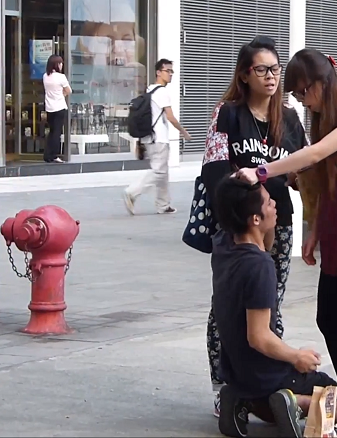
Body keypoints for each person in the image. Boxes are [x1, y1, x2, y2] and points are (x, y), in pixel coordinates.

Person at [234, 48, 337, 436]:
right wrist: (315, 231)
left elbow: (316, 153)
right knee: (328, 318)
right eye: (300, 96)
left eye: (304, 92)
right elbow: (322, 182)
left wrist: (261, 171)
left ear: (322, 82)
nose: (304, 102)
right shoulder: (325, 120)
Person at [200, 36, 307, 418]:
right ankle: (225, 386)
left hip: (277, 226)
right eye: (262, 69)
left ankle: (265, 386)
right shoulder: (228, 113)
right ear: (245, 75)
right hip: (238, 229)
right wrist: (238, 220)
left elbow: (301, 171)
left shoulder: (290, 118)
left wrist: (296, 180)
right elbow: (214, 172)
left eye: (276, 69)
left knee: (268, 307)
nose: (271, 76)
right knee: (226, 309)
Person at [211, 177, 337, 438]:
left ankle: (242, 400)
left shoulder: (223, 248)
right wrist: (296, 356)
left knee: (268, 397)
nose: (275, 205)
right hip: (266, 371)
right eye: (268, 202)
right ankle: (293, 404)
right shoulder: (259, 267)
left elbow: (263, 241)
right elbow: (259, 336)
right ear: (255, 218)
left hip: (238, 373)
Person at [123, 58, 191, 215]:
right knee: (158, 172)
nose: (170, 74)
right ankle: (132, 192)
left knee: (162, 172)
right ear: (158, 72)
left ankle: (163, 204)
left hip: (149, 138)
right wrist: (184, 132)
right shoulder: (162, 92)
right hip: (159, 138)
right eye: (168, 71)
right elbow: (170, 117)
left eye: (171, 71)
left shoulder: (150, 90)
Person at [42, 55, 71, 163]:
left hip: (49, 107)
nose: (62, 65)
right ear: (56, 65)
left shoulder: (45, 76)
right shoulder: (61, 77)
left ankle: (47, 155)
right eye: (60, 63)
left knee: (52, 131)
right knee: (57, 132)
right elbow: (68, 90)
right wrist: (62, 95)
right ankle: (54, 155)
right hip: (59, 107)